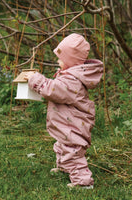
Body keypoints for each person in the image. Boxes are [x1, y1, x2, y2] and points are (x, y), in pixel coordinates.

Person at [24, 33, 103, 189]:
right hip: (67, 122)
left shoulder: (72, 80)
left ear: (70, 61)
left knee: (72, 151)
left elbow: (52, 89)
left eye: (60, 58)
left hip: (73, 124)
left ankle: (83, 182)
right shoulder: (70, 76)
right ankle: (64, 167)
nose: (57, 61)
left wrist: (35, 79)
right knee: (62, 145)